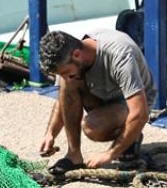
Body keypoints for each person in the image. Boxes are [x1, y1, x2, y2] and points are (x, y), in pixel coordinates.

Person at [37, 29, 156, 171]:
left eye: (65, 73)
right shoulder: (70, 58)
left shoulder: (120, 55)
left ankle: (132, 137)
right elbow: (64, 99)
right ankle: (74, 155)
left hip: (133, 100)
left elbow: (139, 113)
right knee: (67, 85)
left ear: (77, 54)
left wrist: (109, 155)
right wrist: (51, 134)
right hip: (103, 94)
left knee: (93, 127)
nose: (64, 78)